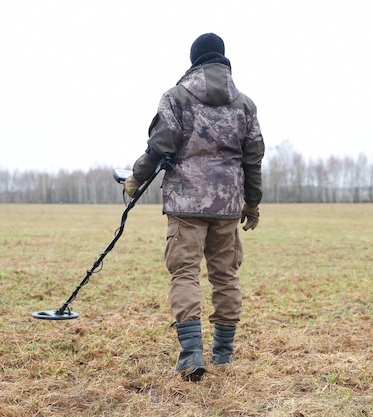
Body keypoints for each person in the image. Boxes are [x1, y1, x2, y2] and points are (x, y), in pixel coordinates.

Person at [124, 33, 265, 381]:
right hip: (228, 206)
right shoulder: (245, 104)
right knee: (225, 275)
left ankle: (191, 356)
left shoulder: (176, 97)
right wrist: (253, 202)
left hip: (185, 203)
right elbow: (254, 159)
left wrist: (136, 178)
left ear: (194, 61)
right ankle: (223, 354)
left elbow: (159, 146)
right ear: (223, 60)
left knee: (185, 273)